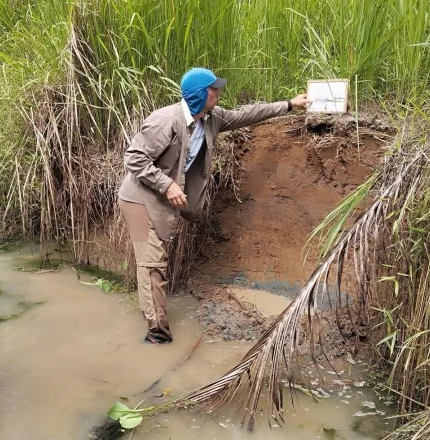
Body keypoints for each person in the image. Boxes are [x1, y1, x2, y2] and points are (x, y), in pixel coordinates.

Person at [118, 67, 310, 344]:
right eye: (213, 89)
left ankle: (152, 311)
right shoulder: (165, 121)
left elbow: (246, 114)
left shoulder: (210, 119)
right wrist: (168, 185)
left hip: (163, 198)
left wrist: (290, 104)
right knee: (151, 265)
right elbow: (134, 158)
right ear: (198, 94)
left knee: (156, 262)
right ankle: (157, 335)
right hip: (140, 199)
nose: (219, 93)